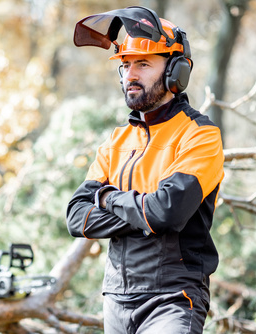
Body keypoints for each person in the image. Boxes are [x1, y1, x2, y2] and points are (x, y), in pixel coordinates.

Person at [67, 6, 225, 334]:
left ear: (176, 72)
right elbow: (76, 217)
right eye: (125, 66)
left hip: (173, 298)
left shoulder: (200, 135)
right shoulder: (116, 141)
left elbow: (166, 212)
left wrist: (107, 197)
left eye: (143, 64)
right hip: (115, 298)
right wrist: (143, 214)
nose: (131, 75)